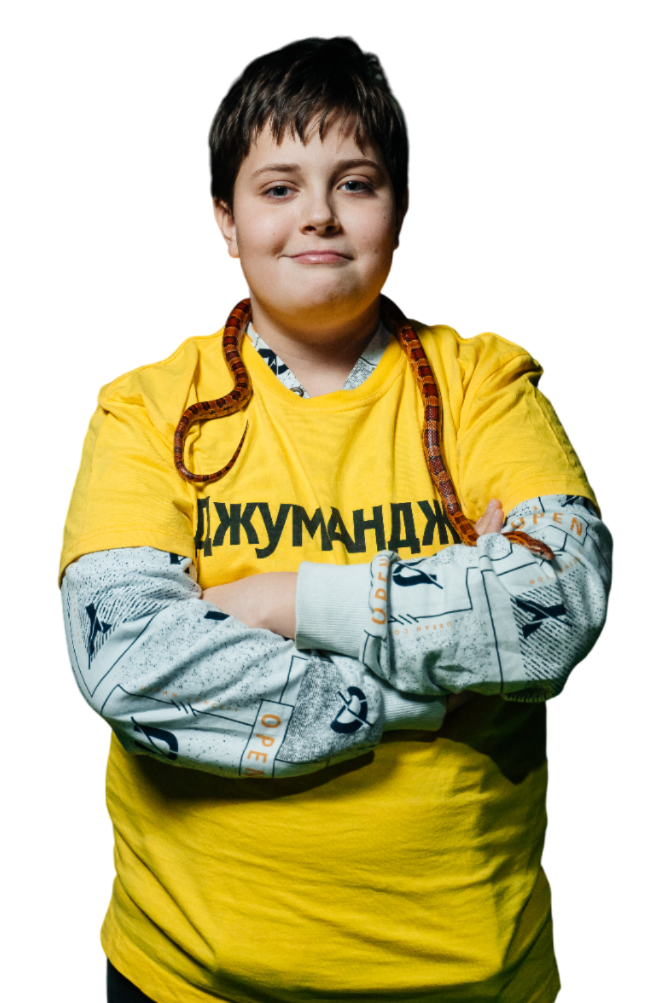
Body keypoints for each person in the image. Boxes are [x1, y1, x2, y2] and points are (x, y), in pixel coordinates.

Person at [59, 36, 613, 1003]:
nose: (318, 213)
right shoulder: (142, 408)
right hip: (188, 974)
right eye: (279, 188)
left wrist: (278, 599)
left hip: (471, 975)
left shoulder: (485, 382)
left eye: (355, 183)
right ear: (226, 222)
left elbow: (554, 612)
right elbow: (127, 660)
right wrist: (429, 680)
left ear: (400, 212)